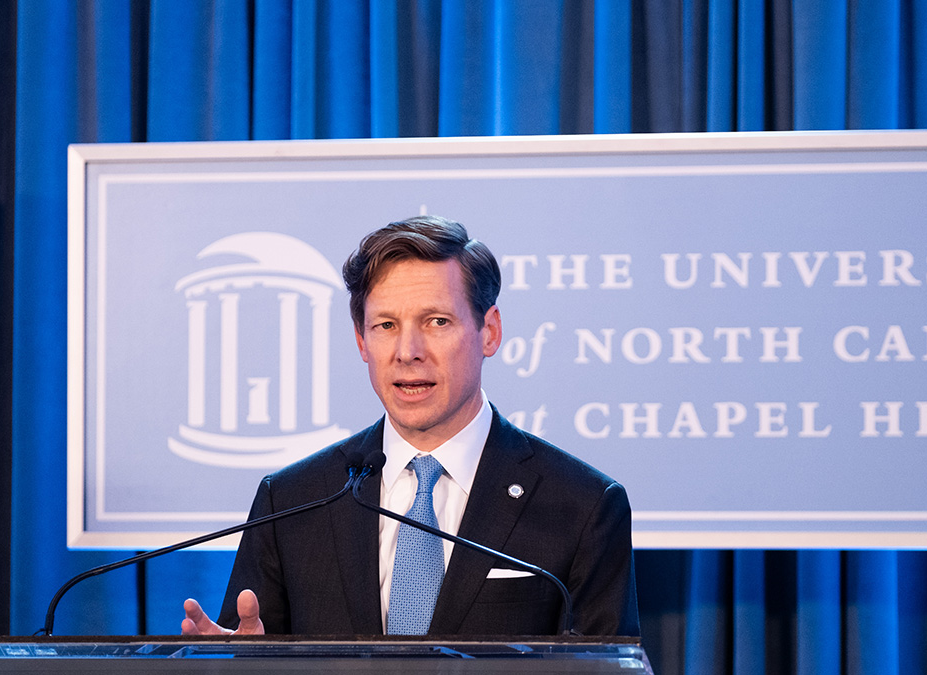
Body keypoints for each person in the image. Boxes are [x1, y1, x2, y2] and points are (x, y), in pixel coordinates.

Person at [182, 215, 639, 636]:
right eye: (385, 325)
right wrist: (237, 664)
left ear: (489, 331)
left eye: (436, 321)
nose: (408, 351)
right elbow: (247, 645)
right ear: (362, 341)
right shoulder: (294, 499)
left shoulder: (583, 506)